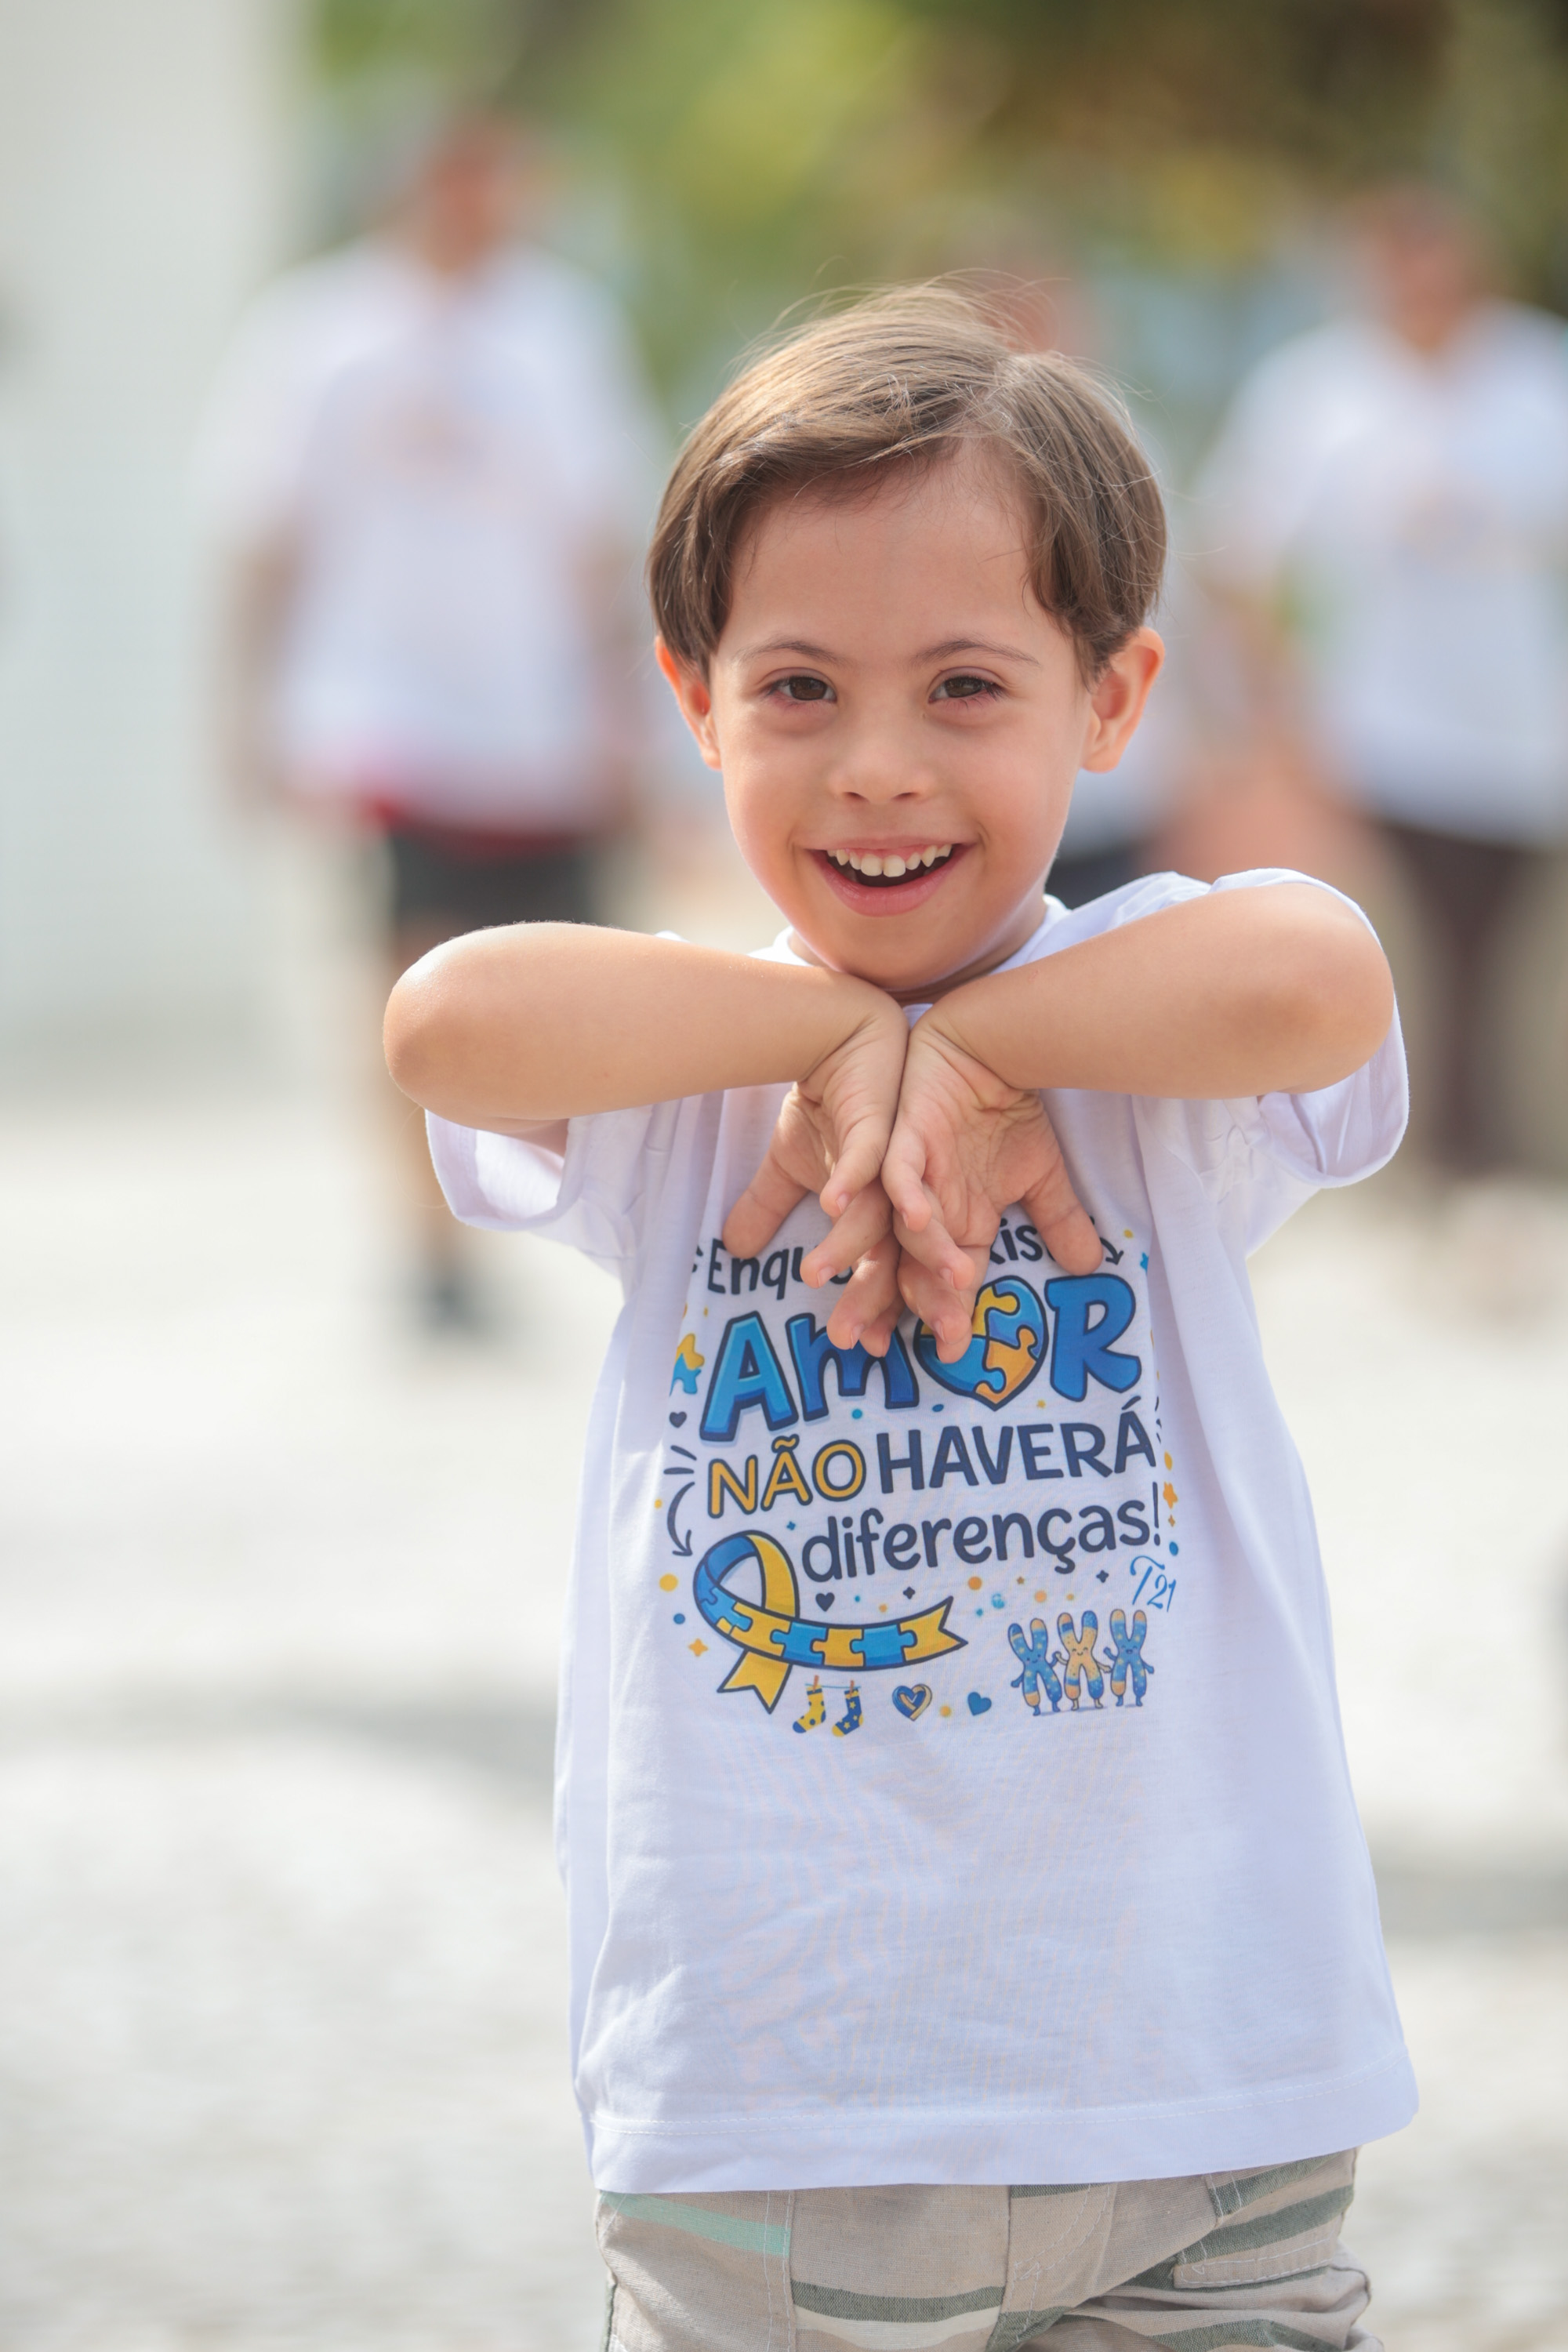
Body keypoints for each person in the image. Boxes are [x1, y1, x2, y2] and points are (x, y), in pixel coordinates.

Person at [386, 290, 1412, 2346]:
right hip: (785, 2117)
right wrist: (840, 1029)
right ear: (691, 698)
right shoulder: (688, 1075)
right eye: (797, 689)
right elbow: (445, 1020)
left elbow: (1323, 976)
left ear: (1115, 699)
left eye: (965, 686)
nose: (877, 768)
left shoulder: (1145, 1029)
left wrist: (979, 1047)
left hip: (1200, 2091)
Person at [199, 110, 660, 1324]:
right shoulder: (319, 333)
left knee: (577, 993)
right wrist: (246, 715)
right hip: (386, 711)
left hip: (538, 720)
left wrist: (629, 712)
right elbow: (264, 538)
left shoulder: (562, 327)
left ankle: (603, 1224)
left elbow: (601, 538)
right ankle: (430, 1246)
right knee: (410, 987)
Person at [1196, 183, 1568, 1172]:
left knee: (1509, 974)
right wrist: (1276, 710)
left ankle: (1506, 1156)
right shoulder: (1317, 392)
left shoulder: (1539, 376)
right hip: (1378, 736)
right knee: (1395, 964)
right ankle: (1408, 1167)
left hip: (1526, 736)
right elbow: (1238, 559)